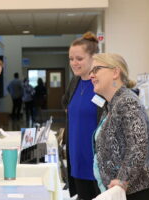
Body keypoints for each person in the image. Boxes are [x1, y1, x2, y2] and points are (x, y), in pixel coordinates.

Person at [90, 53, 149, 200]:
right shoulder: (112, 103)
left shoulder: (127, 102)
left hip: (137, 191)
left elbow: (138, 146)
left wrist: (122, 179)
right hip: (121, 191)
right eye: (90, 72)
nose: (91, 76)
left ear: (115, 72)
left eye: (96, 70)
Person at [61, 31, 101, 200]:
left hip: (97, 163)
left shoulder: (101, 83)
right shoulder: (74, 82)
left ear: (93, 58)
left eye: (79, 59)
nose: (74, 63)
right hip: (77, 160)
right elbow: (66, 104)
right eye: (71, 59)